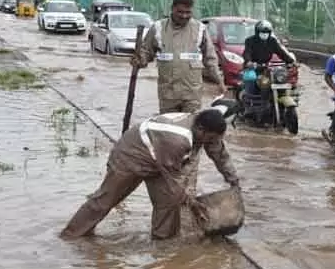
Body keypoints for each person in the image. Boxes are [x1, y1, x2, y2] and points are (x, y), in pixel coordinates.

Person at [60, 101, 240, 240]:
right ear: (200, 130)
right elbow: (173, 180)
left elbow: (220, 154)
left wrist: (234, 181)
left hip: (159, 158)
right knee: (105, 200)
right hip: (131, 156)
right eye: (209, 139)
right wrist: (192, 203)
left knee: (169, 202)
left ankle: (162, 242)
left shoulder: (208, 128)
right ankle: (72, 235)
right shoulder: (178, 140)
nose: (211, 142)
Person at [132, 0, 226, 114]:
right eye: (180, 12)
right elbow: (146, 53)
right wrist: (139, 61)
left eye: (188, 12)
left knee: (189, 127)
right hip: (168, 94)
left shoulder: (200, 29)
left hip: (192, 94)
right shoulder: (158, 28)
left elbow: (210, 59)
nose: (184, 16)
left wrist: (220, 81)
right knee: (168, 128)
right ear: (172, 9)